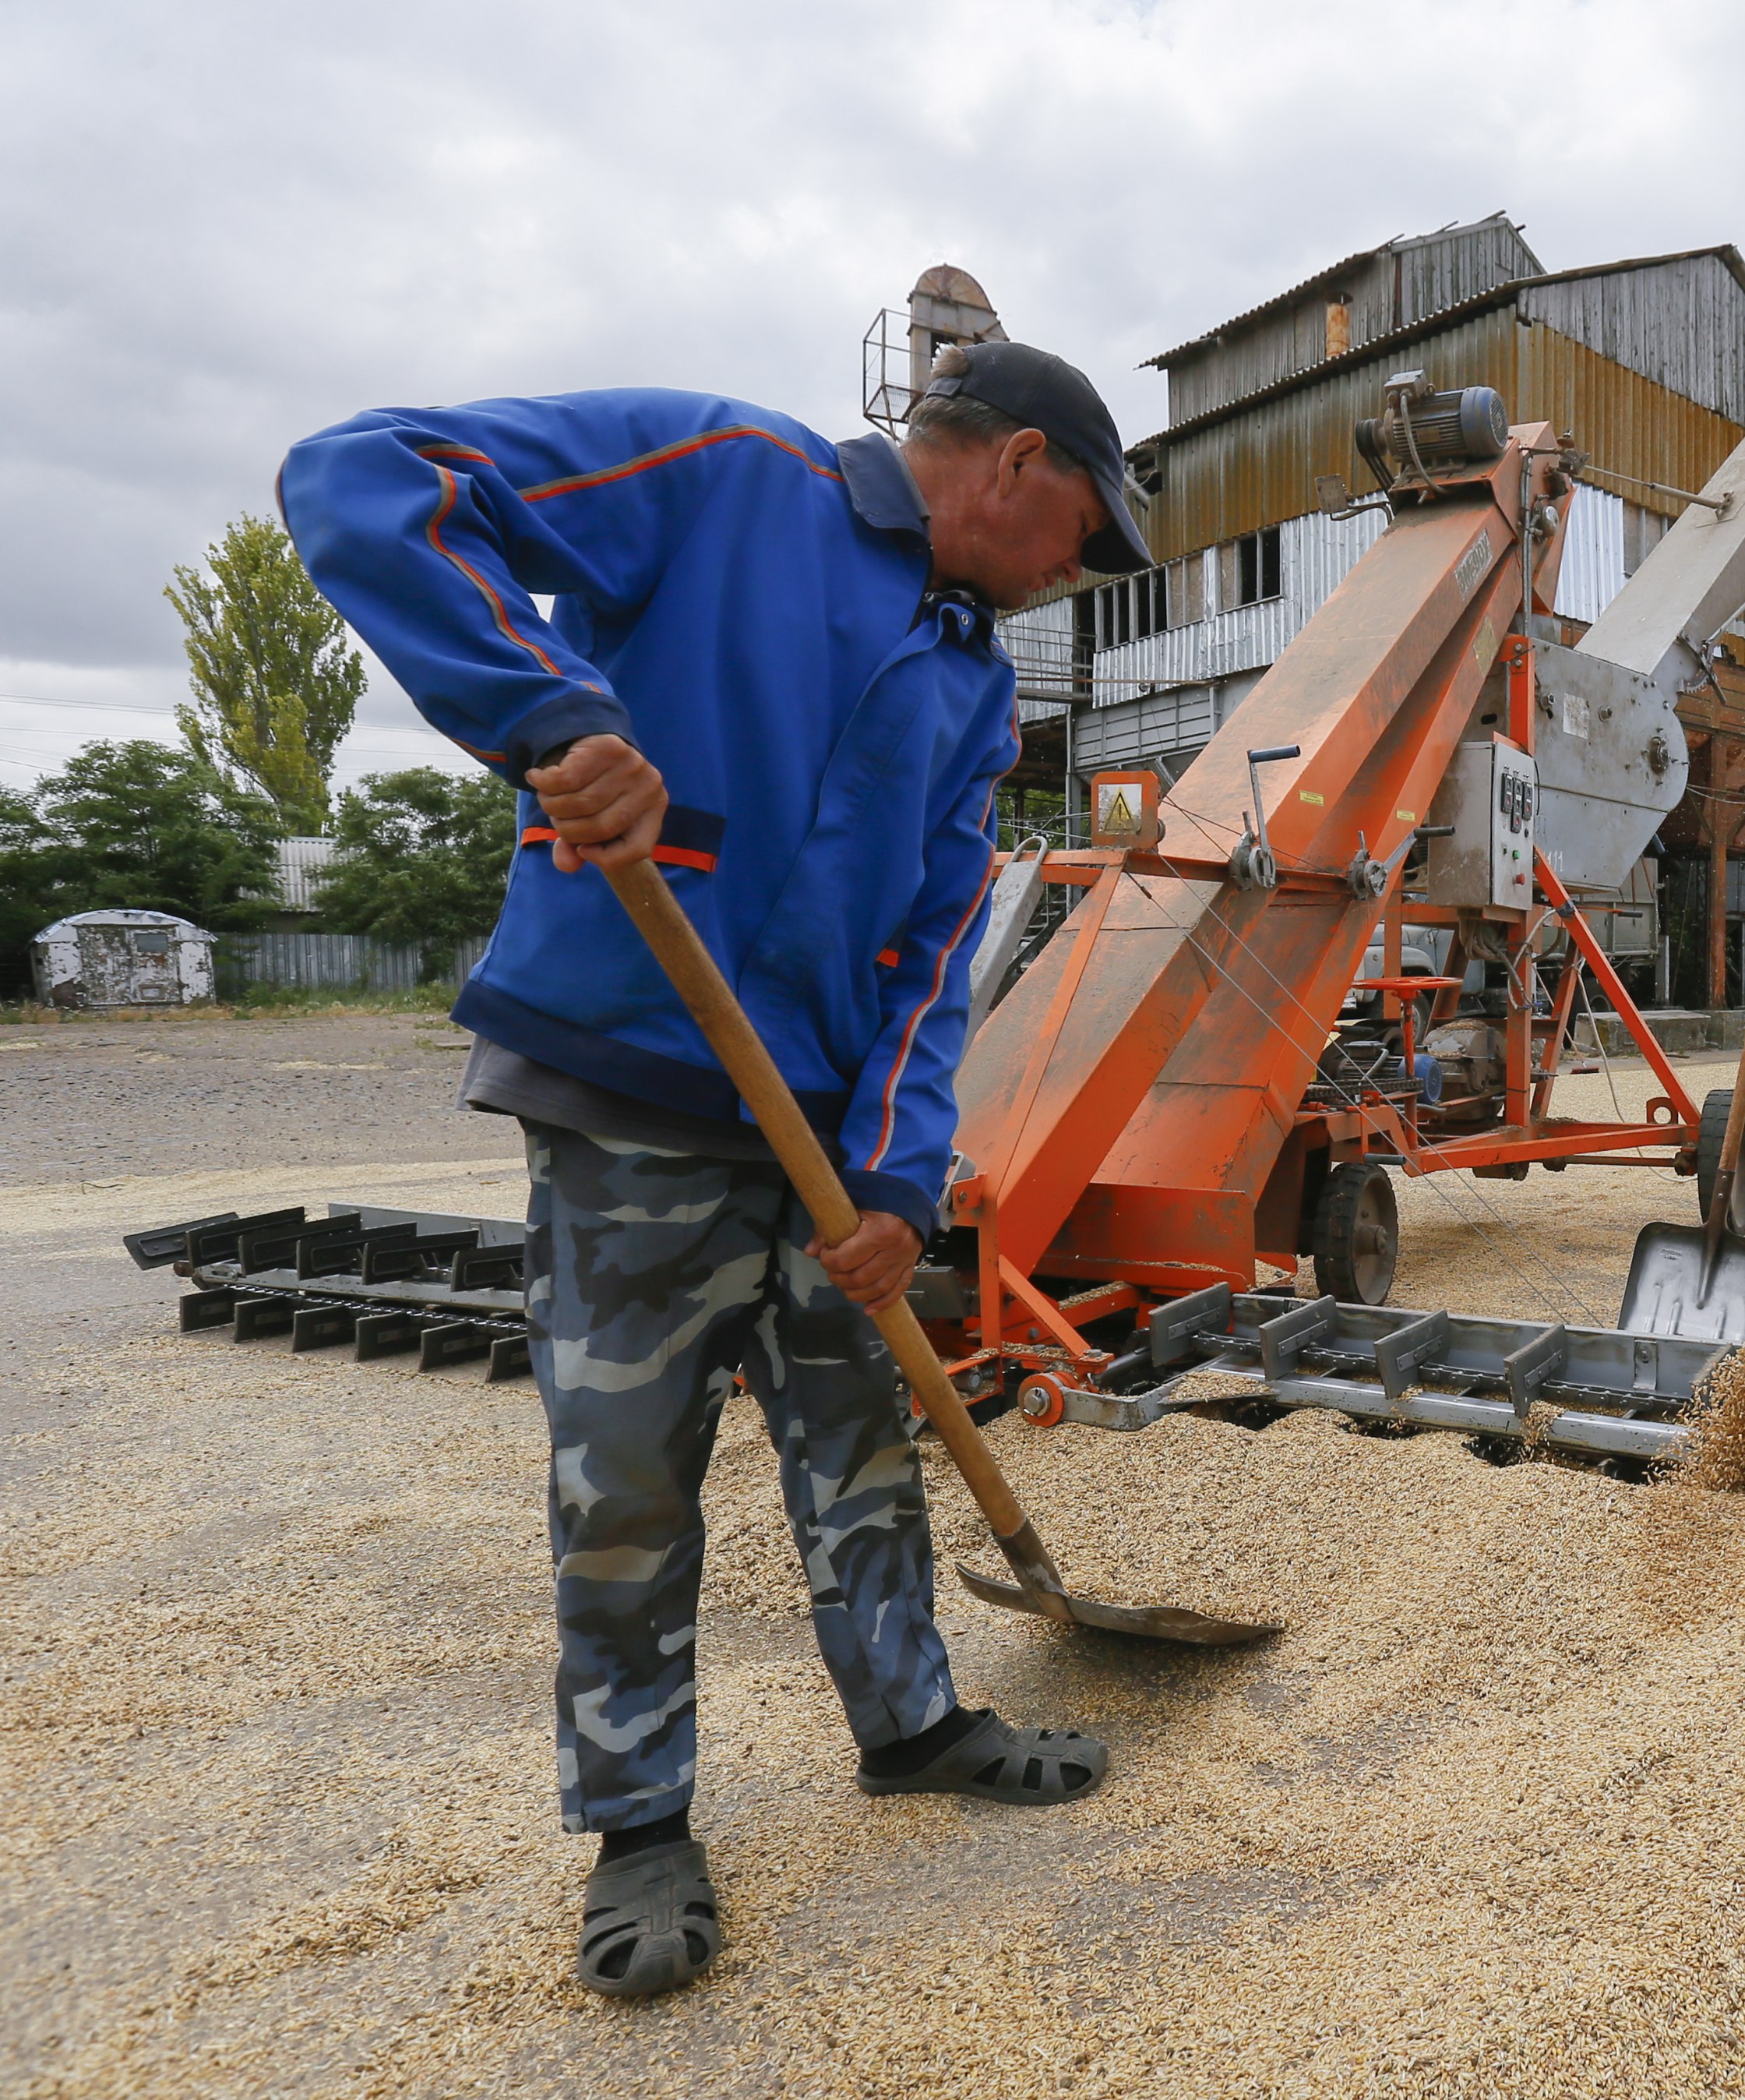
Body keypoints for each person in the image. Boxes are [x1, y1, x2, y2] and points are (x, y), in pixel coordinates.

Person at [280, 341, 1157, 1998]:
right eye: (1079, 540)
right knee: (626, 1478)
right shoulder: (734, 479)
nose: (1069, 578)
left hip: (820, 1140)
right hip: (634, 1084)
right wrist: (549, 713)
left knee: (857, 1443)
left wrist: (899, 1184)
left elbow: (929, 950)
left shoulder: (973, 683)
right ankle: (638, 1825)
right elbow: (364, 477)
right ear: (1015, 461)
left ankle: (912, 1722)